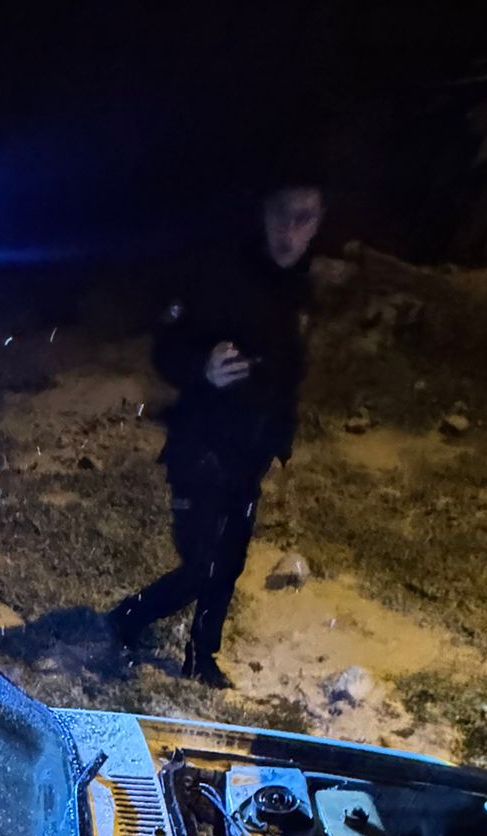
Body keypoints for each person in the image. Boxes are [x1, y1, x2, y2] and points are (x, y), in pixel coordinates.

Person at [107, 178, 325, 687]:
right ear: (263, 212)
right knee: (203, 563)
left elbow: (286, 376)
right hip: (200, 445)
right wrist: (202, 367)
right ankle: (126, 618)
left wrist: (281, 443)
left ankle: (201, 657)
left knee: (229, 562)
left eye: (306, 218)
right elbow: (166, 348)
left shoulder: (300, 289)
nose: (291, 231)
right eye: (283, 215)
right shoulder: (221, 272)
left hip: (252, 453)